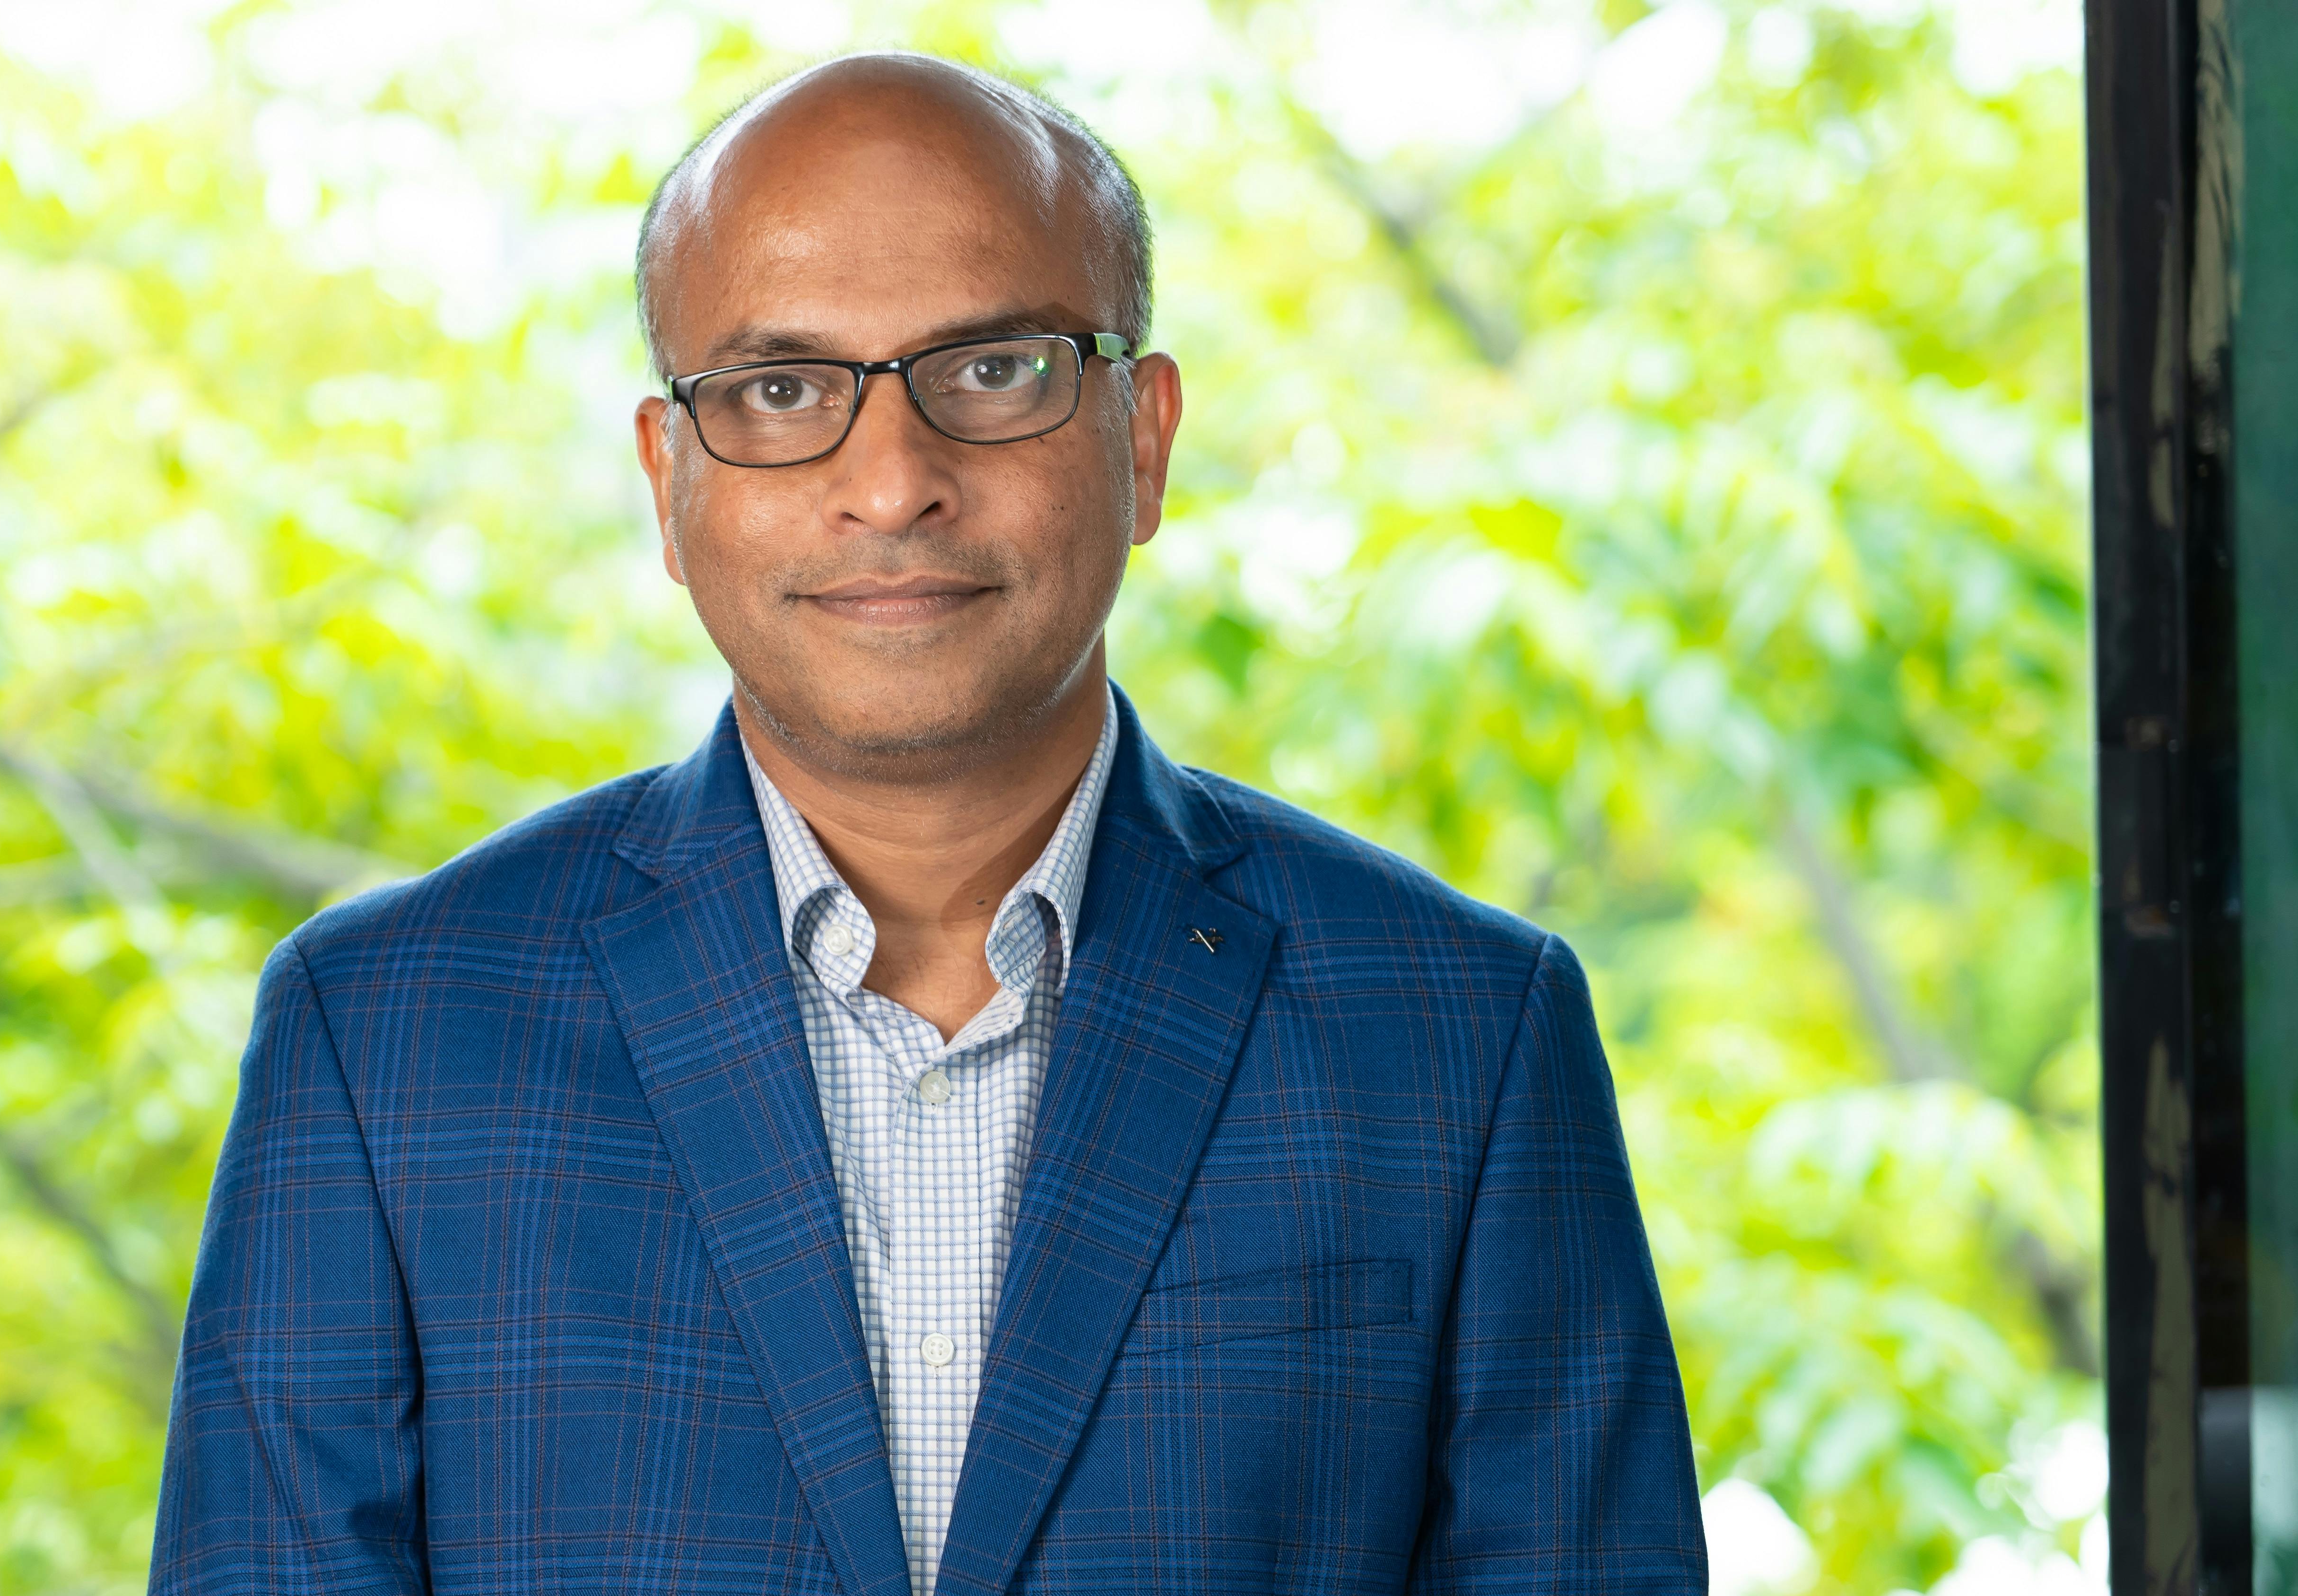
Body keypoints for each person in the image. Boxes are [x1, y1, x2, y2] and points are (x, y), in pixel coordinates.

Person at [150, 50, 1706, 1596]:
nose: (891, 483)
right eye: (777, 390)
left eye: (994, 370)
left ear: (1144, 437)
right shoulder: (384, 1038)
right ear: (668, 479)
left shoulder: (1461, 1033)